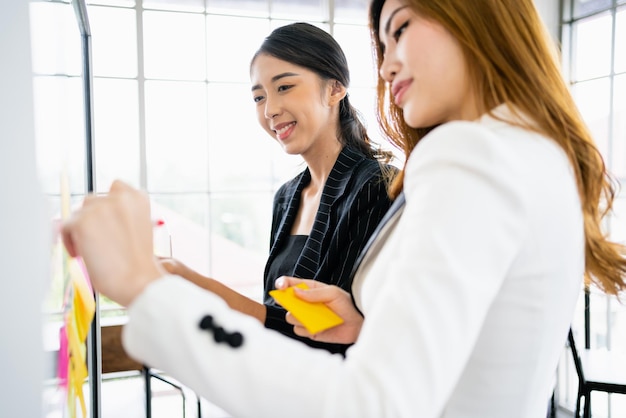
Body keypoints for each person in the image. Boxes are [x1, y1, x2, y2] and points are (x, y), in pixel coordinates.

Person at [60, 1, 626, 417]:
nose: (387, 65)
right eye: (258, 95)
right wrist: (362, 322)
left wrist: (145, 288)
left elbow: (374, 402)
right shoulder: (532, 150)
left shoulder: (463, 155)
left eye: (401, 28)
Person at [158, 22, 396, 355]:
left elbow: (327, 331)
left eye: (284, 87)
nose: (270, 110)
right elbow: (279, 312)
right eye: (259, 96)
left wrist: (195, 284)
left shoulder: (376, 188)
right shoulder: (287, 197)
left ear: (335, 89)